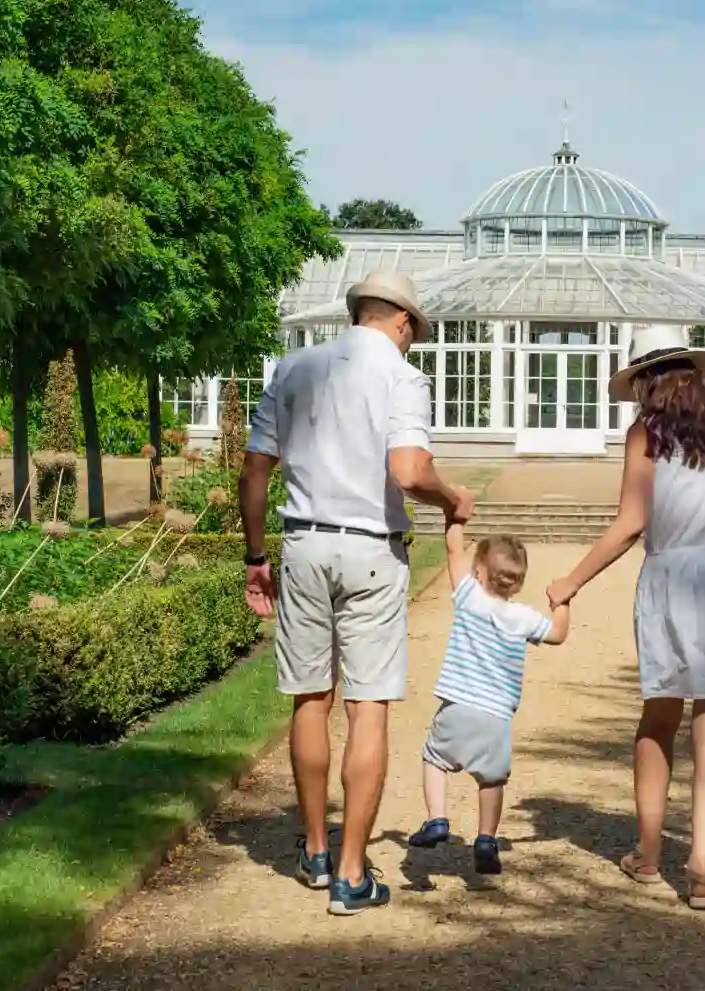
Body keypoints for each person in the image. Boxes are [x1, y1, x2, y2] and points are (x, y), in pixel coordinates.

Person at [238, 270, 476, 916]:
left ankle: (316, 849)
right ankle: (351, 873)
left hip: (304, 543)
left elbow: (255, 468)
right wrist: (452, 497)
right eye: (413, 335)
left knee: (309, 696)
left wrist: (256, 554)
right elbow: (408, 470)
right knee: (367, 707)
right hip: (371, 548)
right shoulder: (400, 375)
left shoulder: (295, 367)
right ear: (402, 322)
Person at [545, 323, 705, 911]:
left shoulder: (644, 433)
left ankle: (649, 855)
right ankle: (700, 862)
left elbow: (630, 524)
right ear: (691, 372)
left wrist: (569, 581)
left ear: (646, 381)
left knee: (659, 718)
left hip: (674, 577)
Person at [408, 524, 570, 874]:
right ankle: (486, 838)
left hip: (457, 705)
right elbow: (557, 634)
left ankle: (437, 819)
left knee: (435, 758)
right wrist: (561, 602)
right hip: (496, 717)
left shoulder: (469, 597)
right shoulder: (524, 617)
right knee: (492, 779)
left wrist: (456, 519)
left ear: (479, 571)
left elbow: (453, 551)